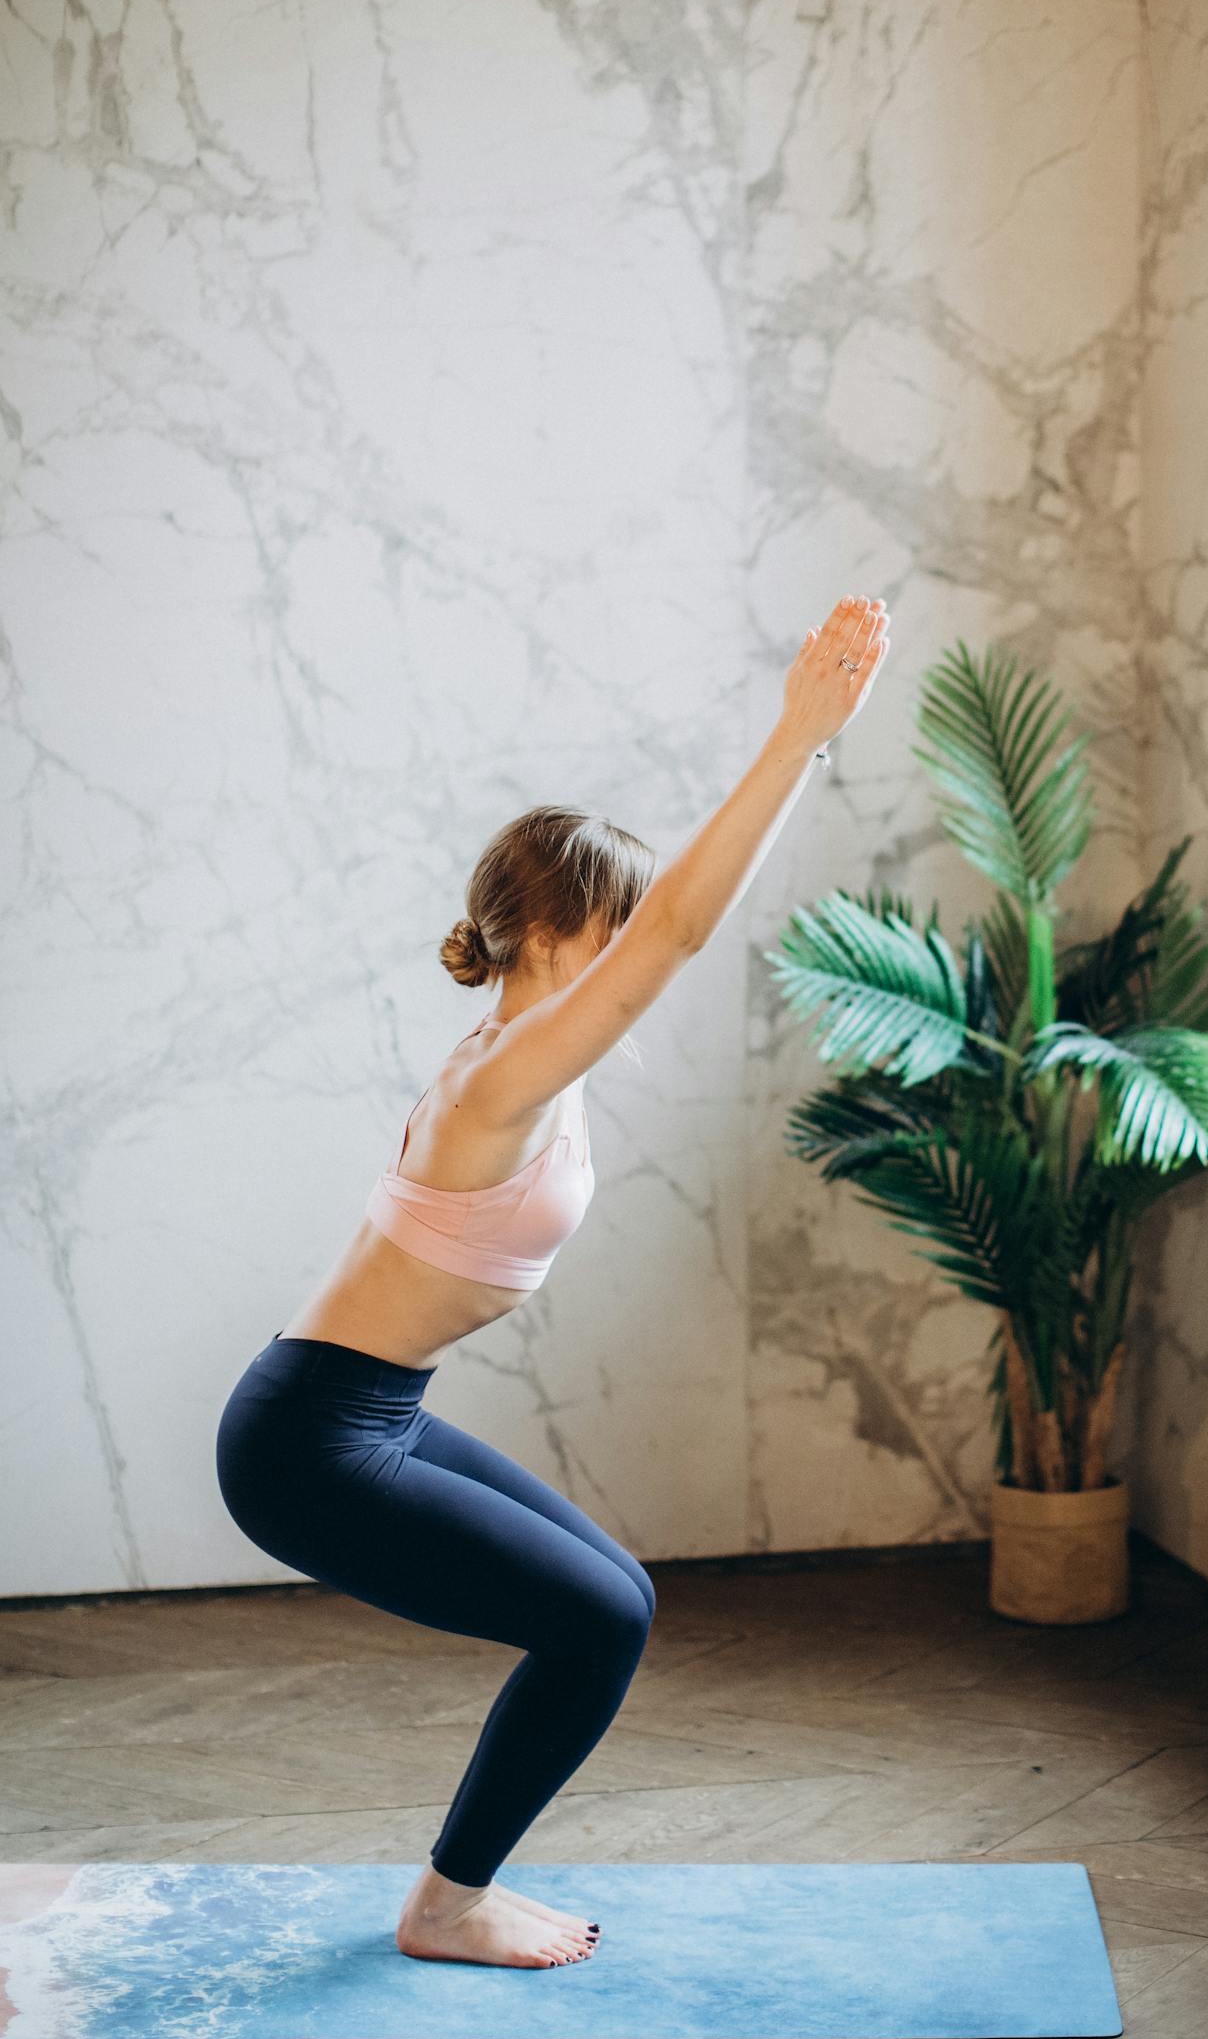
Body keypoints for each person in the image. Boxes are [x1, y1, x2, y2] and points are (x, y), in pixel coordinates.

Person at [216, 594, 891, 1970]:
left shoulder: (525, 1057)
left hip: (363, 1411)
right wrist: (798, 742)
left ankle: (453, 1890)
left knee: (617, 1597)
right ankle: (449, 1901)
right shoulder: (501, 1080)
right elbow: (675, 948)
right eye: (619, 925)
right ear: (550, 927)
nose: (638, 948)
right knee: (595, 1623)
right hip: (309, 1443)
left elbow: (655, 958)